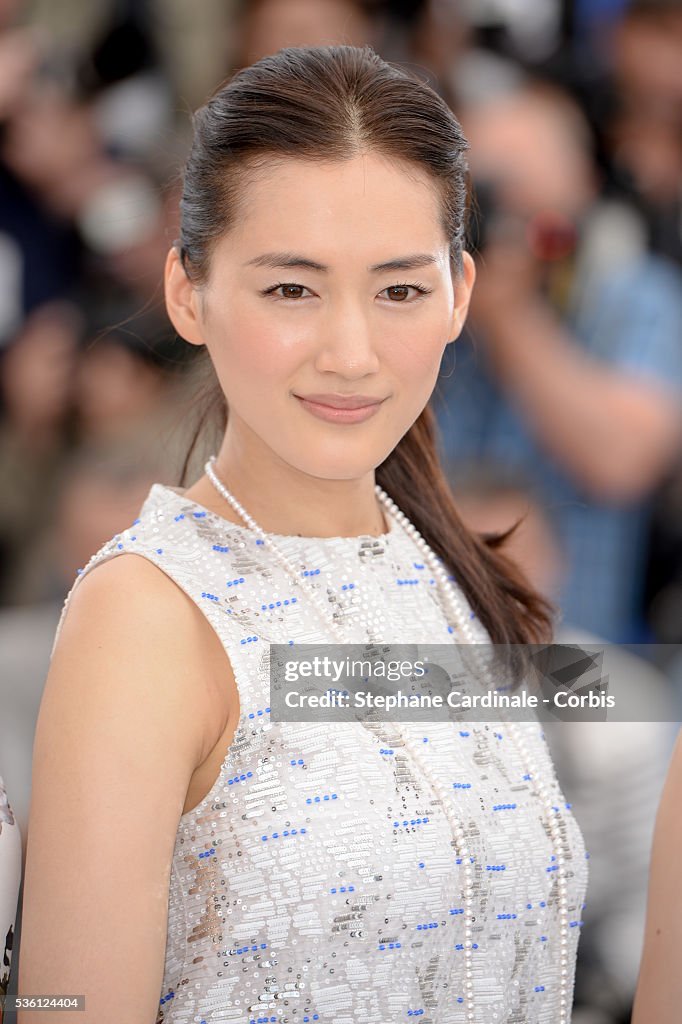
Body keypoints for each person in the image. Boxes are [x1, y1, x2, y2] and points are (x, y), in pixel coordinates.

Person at [18, 45, 588, 1024]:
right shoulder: (146, 616)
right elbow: (66, 1006)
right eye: (292, 288)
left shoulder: (450, 570)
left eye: (398, 289)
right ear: (187, 293)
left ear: (458, 293)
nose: (351, 352)